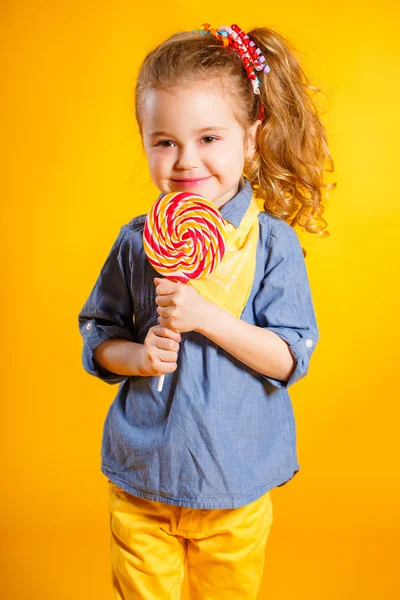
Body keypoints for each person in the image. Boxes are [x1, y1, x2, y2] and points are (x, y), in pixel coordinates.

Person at [78, 22, 334, 600]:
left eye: (209, 139)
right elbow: (98, 338)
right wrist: (138, 356)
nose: (186, 161)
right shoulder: (138, 241)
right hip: (141, 476)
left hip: (234, 483)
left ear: (250, 138)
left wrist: (206, 315)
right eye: (164, 141)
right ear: (143, 140)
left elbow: (289, 357)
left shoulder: (272, 245)